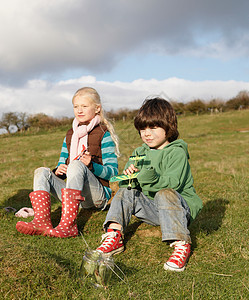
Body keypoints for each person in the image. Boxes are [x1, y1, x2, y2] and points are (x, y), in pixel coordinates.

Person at [95, 97, 203, 272]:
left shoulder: (176, 152)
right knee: (126, 192)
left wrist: (147, 177)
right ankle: (114, 235)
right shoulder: (139, 152)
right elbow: (127, 184)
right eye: (143, 128)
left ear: (168, 128)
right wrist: (128, 177)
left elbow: (173, 184)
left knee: (164, 193)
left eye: (153, 127)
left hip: (179, 209)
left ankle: (181, 244)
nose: (147, 133)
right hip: (153, 210)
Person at [16, 87, 119, 238]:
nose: (79, 110)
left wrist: (91, 165)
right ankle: (41, 221)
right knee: (42, 171)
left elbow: (113, 173)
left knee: (77, 164)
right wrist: (58, 171)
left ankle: (68, 225)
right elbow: (61, 164)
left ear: (97, 108)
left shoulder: (104, 134)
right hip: (73, 194)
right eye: (76, 106)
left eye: (84, 106)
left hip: (97, 197)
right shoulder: (70, 135)